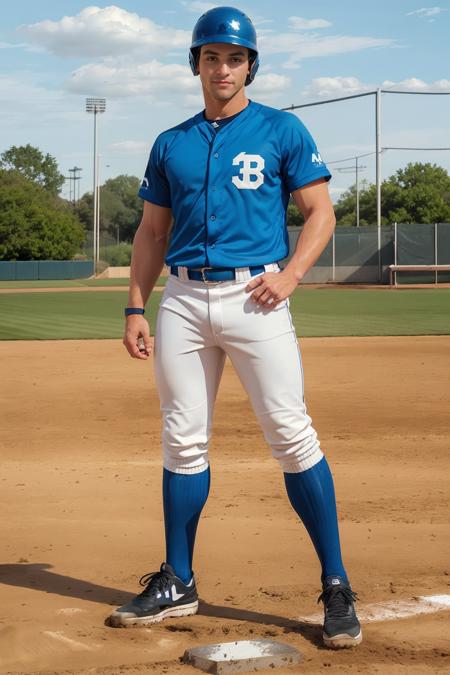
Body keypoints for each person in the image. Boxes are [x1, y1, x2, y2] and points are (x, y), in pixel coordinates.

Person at [109, 6, 362, 649]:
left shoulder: (281, 129)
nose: (223, 67)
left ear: (251, 65)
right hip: (185, 301)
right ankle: (178, 580)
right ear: (195, 64)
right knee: (182, 439)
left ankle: (336, 584)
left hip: (258, 297)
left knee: (290, 433)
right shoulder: (172, 142)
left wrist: (293, 275)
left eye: (235, 57)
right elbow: (151, 232)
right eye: (212, 56)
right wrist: (137, 306)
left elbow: (320, 213)